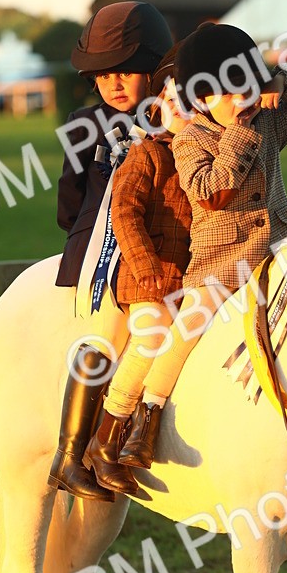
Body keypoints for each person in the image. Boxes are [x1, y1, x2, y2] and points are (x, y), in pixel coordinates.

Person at [95, 22, 287, 470]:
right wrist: (241, 132)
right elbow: (211, 190)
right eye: (231, 92)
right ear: (202, 100)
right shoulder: (191, 139)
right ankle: (143, 417)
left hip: (281, 245)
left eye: (249, 88)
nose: (244, 100)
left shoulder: (266, 117)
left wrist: (278, 79)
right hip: (221, 264)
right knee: (184, 331)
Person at [49, 0, 172, 501]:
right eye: (103, 75)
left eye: (127, 72)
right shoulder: (83, 125)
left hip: (160, 248)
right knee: (104, 336)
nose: (114, 84)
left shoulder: (175, 117)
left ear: (157, 70)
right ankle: (71, 456)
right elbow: (69, 202)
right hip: (100, 252)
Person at [81, 47, 193, 494]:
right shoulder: (147, 155)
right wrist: (145, 263)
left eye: (190, 103)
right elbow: (123, 213)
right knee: (150, 337)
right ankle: (106, 439)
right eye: (171, 102)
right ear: (157, 108)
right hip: (144, 279)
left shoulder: (199, 157)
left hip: (187, 281)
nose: (179, 110)